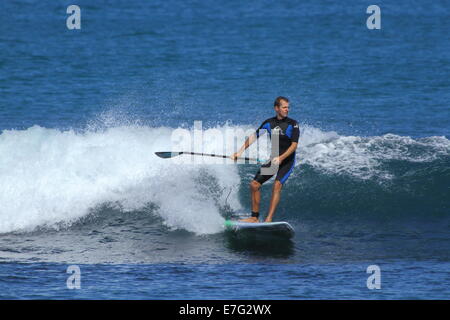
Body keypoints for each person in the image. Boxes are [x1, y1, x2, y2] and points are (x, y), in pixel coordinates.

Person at [230, 96, 299, 222]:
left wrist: (281, 158)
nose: (287, 109)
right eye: (284, 107)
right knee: (254, 184)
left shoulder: (293, 124)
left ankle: (269, 218)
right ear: (276, 108)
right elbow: (253, 137)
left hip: (287, 161)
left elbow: (294, 145)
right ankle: (254, 217)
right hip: (274, 161)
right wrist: (239, 152)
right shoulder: (269, 123)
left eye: (288, 107)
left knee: (277, 185)